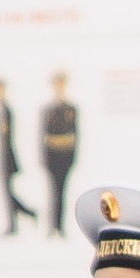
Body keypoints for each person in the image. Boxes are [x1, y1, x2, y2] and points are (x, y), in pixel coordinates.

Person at [40, 73, 79, 236]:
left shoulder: (71, 109)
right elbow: (43, 136)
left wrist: (73, 157)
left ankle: (60, 227)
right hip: (52, 157)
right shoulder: (48, 110)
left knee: (62, 192)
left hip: (65, 157)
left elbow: (75, 136)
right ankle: (52, 226)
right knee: (52, 192)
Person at [0, 83, 35, 234]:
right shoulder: (1, 109)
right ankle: (26, 215)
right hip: (3, 158)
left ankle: (18, 221)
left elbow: (6, 139)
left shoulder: (5, 110)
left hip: (6, 159)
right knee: (7, 193)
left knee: (7, 193)